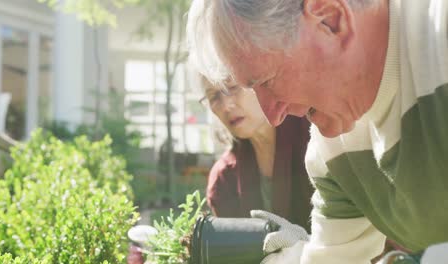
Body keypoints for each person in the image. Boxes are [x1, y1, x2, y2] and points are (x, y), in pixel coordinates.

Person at [187, 0, 448, 263]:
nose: (273, 116)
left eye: (266, 81)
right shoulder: (332, 152)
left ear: (330, 19)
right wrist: (290, 256)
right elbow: (333, 258)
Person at [200, 76, 313, 230]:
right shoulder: (223, 178)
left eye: (232, 87)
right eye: (214, 97)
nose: (226, 105)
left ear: (262, 81)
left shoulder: (314, 135)